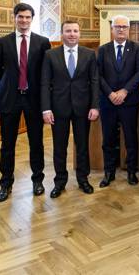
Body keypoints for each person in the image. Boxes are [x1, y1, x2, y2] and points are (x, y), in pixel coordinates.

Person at [0, 2, 51, 202]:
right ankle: (5, 184)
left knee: (36, 143)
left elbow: (46, 73)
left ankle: (38, 180)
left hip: (34, 100)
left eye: (27, 17)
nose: (24, 20)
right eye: (20, 17)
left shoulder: (43, 42)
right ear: (14, 18)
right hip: (11, 99)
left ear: (32, 19)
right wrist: (9, 85)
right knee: (7, 144)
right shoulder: (3, 42)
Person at [41, 21, 100, 198]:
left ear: (79, 33)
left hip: (83, 108)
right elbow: (44, 83)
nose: (72, 34)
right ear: (62, 34)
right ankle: (59, 182)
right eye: (68, 31)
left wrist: (95, 106)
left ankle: (83, 179)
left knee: (82, 146)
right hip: (58, 108)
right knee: (59, 147)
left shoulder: (89, 54)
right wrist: (46, 109)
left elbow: (95, 81)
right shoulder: (50, 55)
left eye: (75, 31)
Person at [97, 15, 139, 188]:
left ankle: (132, 172)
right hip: (108, 102)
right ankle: (109, 172)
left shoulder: (136, 49)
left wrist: (124, 91)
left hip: (129, 100)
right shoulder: (103, 50)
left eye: (124, 26)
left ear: (129, 29)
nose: (121, 29)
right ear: (112, 29)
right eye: (117, 27)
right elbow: (98, 75)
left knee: (131, 137)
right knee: (108, 139)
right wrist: (110, 93)